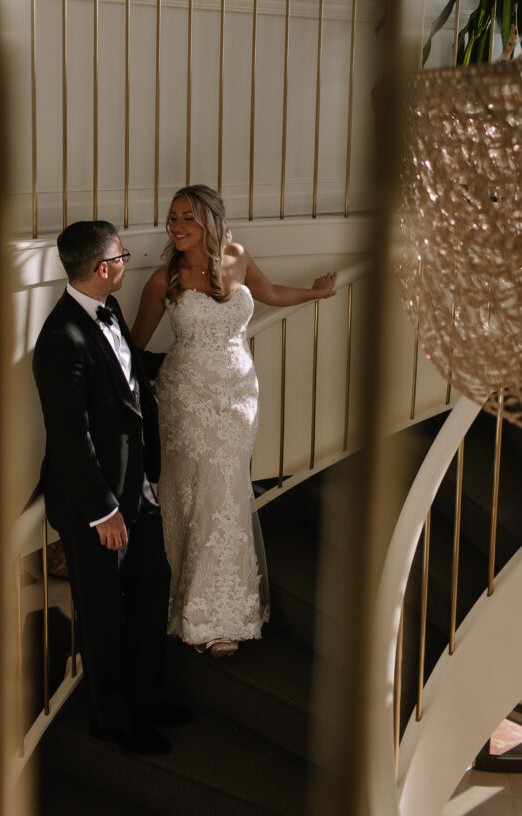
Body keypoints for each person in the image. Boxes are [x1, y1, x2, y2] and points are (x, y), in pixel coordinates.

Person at [131, 185, 337, 659]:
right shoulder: (165, 279)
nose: (177, 226)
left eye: (188, 217)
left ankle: (224, 608)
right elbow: (134, 346)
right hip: (188, 402)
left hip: (239, 398)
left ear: (210, 220)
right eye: (173, 217)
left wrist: (315, 292)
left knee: (227, 493)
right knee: (198, 496)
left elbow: (268, 294)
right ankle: (200, 615)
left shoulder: (237, 256)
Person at [32, 220, 188, 755]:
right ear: (104, 268)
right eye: (122, 256)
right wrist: (103, 513)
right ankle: (112, 717)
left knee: (151, 585)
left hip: (136, 486)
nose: (127, 262)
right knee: (102, 610)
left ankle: (147, 696)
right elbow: (70, 437)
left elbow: (126, 378)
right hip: (93, 504)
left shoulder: (110, 310)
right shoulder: (60, 339)